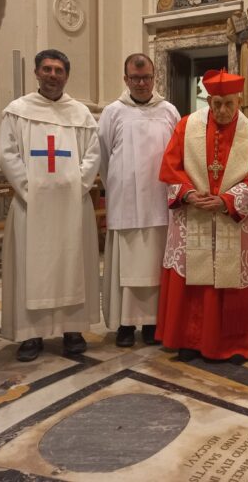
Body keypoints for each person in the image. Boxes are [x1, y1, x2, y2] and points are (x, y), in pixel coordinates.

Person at [156, 69, 248, 362]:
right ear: (208, 99)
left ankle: (232, 344)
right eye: (215, 103)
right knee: (192, 276)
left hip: (228, 215)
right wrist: (189, 195)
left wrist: (227, 201)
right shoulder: (185, 127)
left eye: (228, 104)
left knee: (228, 281)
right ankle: (188, 340)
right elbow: (170, 168)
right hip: (193, 213)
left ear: (238, 100)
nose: (221, 110)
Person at [0, 49, 101, 362]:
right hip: (31, 205)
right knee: (31, 265)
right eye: (47, 69)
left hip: (74, 204)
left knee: (74, 263)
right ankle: (31, 334)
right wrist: (31, 189)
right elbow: (7, 154)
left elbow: (93, 155)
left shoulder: (81, 114)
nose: (53, 75)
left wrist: (76, 187)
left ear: (66, 75)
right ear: (36, 72)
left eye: (58, 70)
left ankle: (73, 329)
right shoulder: (17, 111)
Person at [98, 53, 179, 347]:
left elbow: (178, 154)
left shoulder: (169, 111)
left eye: (146, 78)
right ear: (126, 79)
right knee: (127, 266)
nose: (142, 83)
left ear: (155, 77)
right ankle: (124, 325)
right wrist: (118, 186)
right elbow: (104, 157)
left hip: (160, 202)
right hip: (126, 203)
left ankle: (152, 324)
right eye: (136, 78)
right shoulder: (113, 112)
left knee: (157, 265)